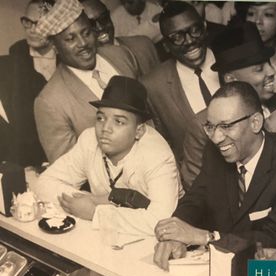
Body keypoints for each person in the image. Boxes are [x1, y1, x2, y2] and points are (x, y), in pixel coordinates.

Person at [153, 81, 276, 271]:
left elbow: (274, 237)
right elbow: (196, 199)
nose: (216, 138)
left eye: (226, 126)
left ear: (255, 122)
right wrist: (175, 234)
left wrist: (206, 237)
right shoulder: (214, 152)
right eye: (210, 127)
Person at [35, 76, 182, 236]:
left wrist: (95, 211)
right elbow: (44, 183)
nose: (105, 128)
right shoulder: (89, 139)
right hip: (110, 233)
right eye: (100, 118)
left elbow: (161, 221)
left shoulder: (157, 155)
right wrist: (89, 201)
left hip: (159, 240)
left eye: (119, 122)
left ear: (138, 131)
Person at [34, 0, 138, 163]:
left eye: (86, 33)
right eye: (70, 39)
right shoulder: (49, 102)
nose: (83, 43)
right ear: (54, 47)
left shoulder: (121, 55)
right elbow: (69, 168)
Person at [141, 1, 220, 189]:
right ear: (166, 46)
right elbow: (164, 147)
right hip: (201, 187)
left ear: (205, 28)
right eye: (177, 37)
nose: (190, 40)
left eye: (195, 30)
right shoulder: (152, 86)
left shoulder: (232, 58)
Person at [6, 0, 55, 166]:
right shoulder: (17, 53)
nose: (32, 30)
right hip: (32, 149)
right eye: (28, 22)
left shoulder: (67, 52)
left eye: (39, 23)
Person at [210, 22, 276, 119]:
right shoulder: (216, 120)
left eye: (269, 63)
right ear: (231, 79)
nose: (272, 71)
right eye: (259, 69)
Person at [81, 0, 160, 76]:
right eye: (91, 24)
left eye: (103, 19)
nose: (100, 27)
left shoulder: (144, 46)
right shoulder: (87, 73)